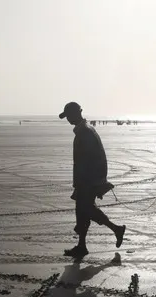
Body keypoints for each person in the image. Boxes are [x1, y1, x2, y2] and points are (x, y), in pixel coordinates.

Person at [58, 101, 125, 258]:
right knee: (83, 212)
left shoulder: (85, 132)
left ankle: (116, 229)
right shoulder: (84, 129)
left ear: (77, 113)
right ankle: (82, 246)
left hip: (88, 180)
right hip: (87, 180)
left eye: (68, 115)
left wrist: (92, 183)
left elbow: (89, 160)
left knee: (86, 210)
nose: (67, 119)